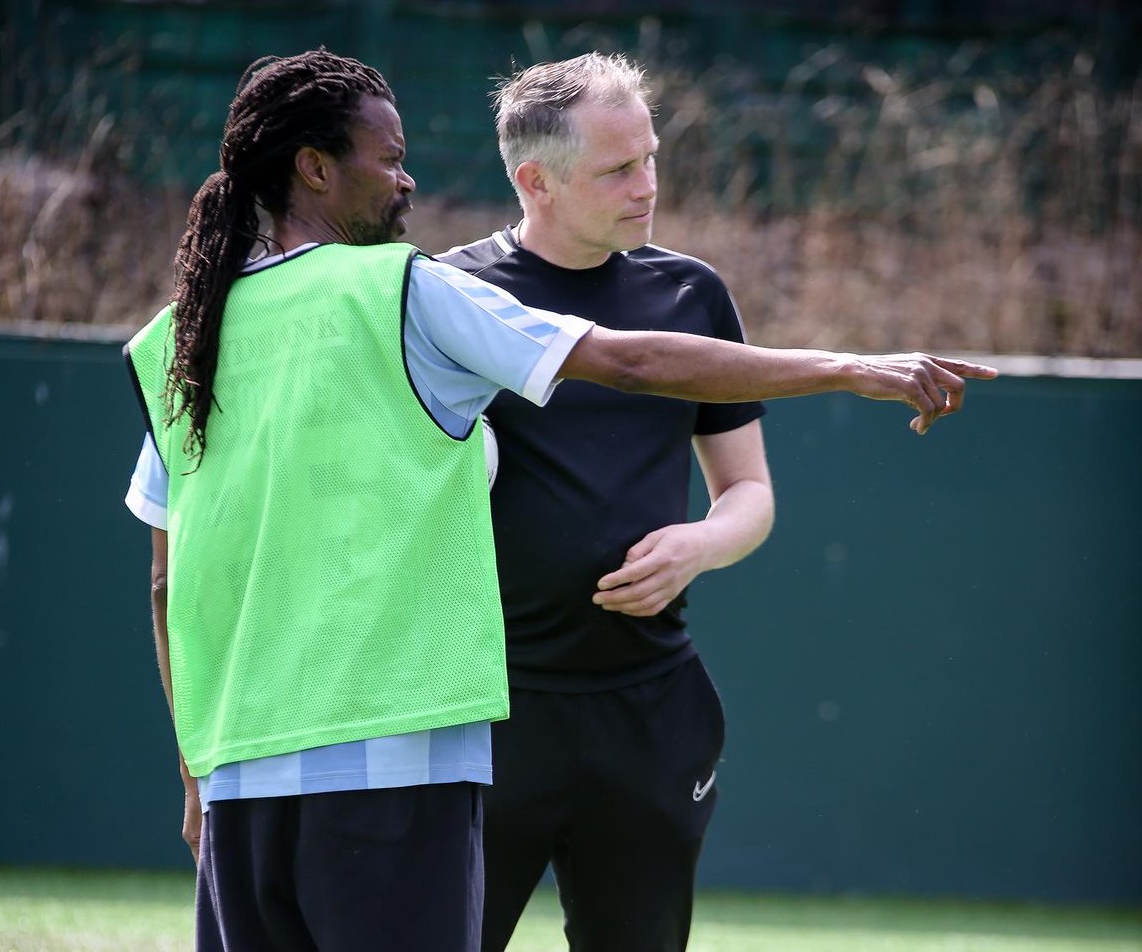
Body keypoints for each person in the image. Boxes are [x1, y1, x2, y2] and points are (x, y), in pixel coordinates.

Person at [122, 49, 994, 952]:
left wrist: (195, 773)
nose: (406, 176)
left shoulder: (180, 335)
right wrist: (854, 368)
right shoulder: (406, 291)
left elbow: (165, 583)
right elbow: (632, 360)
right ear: (313, 167)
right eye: (387, 158)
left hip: (241, 770)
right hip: (401, 746)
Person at [435, 51, 957, 952]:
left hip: (651, 709)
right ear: (535, 181)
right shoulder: (450, 297)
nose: (648, 185)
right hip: (482, 711)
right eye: (617, 168)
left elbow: (748, 492)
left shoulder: (690, 291)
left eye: (651, 157)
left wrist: (702, 543)